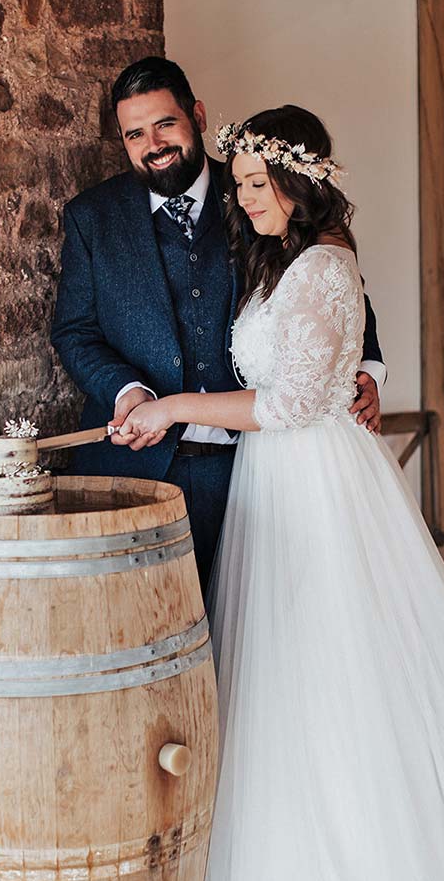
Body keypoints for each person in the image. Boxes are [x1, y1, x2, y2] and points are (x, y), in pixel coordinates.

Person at [118, 105, 444, 881]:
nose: (245, 199)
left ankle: (373, 869)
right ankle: (292, 849)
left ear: (302, 183)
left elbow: (293, 401)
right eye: (243, 183)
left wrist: (175, 409)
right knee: (286, 673)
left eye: (259, 185)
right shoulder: (276, 260)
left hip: (318, 482)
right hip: (273, 485)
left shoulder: (326, 265)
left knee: (339, 667)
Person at [51, 59, 385, 592]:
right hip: (133, 473)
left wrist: (367, 369)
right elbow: (74, 329)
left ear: (198, 116)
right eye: (135, 133)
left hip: (253, 473)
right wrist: (127, 391)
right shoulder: (94, 216)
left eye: (165, 124)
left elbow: (338, 286)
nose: (152, 143)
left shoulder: (262, 192)